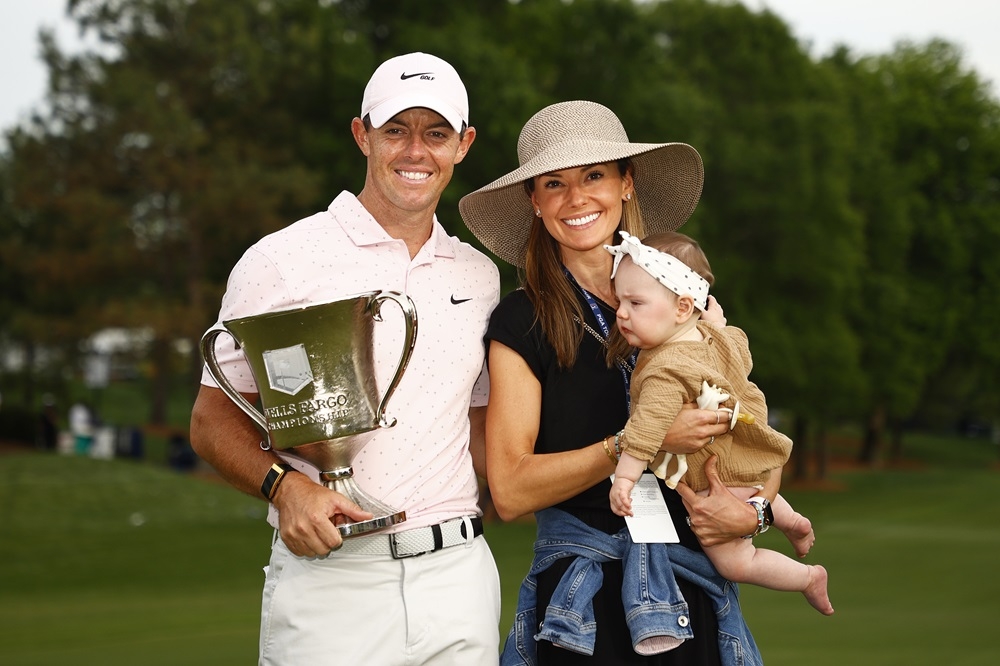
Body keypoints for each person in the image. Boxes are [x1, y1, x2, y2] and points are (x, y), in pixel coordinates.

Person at [190, 52, 502, 665]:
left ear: (463, 145)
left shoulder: (480, 274)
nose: (416, 151)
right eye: (396, 131)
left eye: (435, 133)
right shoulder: (280, 261)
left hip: (459, 577)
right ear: (362, 135)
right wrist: (284, 490)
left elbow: (482, 428)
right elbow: (210, 420)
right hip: (332, 579)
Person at [459, 100, 766, 665]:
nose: (577, 199)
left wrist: (756, 513)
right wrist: (638, 442)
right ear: (535, 202)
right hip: (585, 609)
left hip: (693, 594)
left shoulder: (686, 302)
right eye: (554, 183)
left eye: (594, 175)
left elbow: (747, 432)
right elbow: (510, 489)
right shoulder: (522, 320)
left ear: (627, 184)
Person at [605, 230, 833, 616]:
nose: (622, 313)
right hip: (746, 461)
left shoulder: (664, 368)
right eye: (620, 302)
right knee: (754, 491)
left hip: (717, 482)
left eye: (636, 302)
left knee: (736, 563)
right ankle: (791, 520)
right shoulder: (714, 338)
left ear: (681, 308)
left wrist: (625, 479)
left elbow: (644, 432)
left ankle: (808, 577)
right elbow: (740, 353)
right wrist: (714, 322)